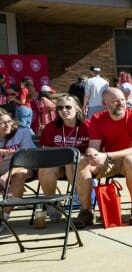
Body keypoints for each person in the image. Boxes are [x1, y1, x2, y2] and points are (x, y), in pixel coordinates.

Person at [74, 87, 132, 228]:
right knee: (83, 162)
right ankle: (86, 211)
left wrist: (106, 155)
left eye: (122, 99)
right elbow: (94, 146)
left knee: (130, 160)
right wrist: (92, 153)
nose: (121, 103)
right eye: (115, 101)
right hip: (110, 160)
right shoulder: (97, 118)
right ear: (105, 103)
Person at [34, 95, 91, 228]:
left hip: (82, 164)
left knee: (72, 163)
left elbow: (95, 148)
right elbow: (46, 151)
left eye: (68, 107)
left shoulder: (88, 125)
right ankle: (53, 205)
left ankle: (85, 209)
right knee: (45, 169)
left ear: (77, 108)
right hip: (58, 163)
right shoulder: (51, 127)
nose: (64, 110)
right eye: (60, 107)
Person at [0, 112, 37, 222]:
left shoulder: (22, 132)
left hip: (22, 167)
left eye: (9, 121)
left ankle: (3, 216)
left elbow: (27, 158)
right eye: (2, 123)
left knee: (19, 175)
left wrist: (6, 176)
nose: (7, 125)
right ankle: (15, 194)